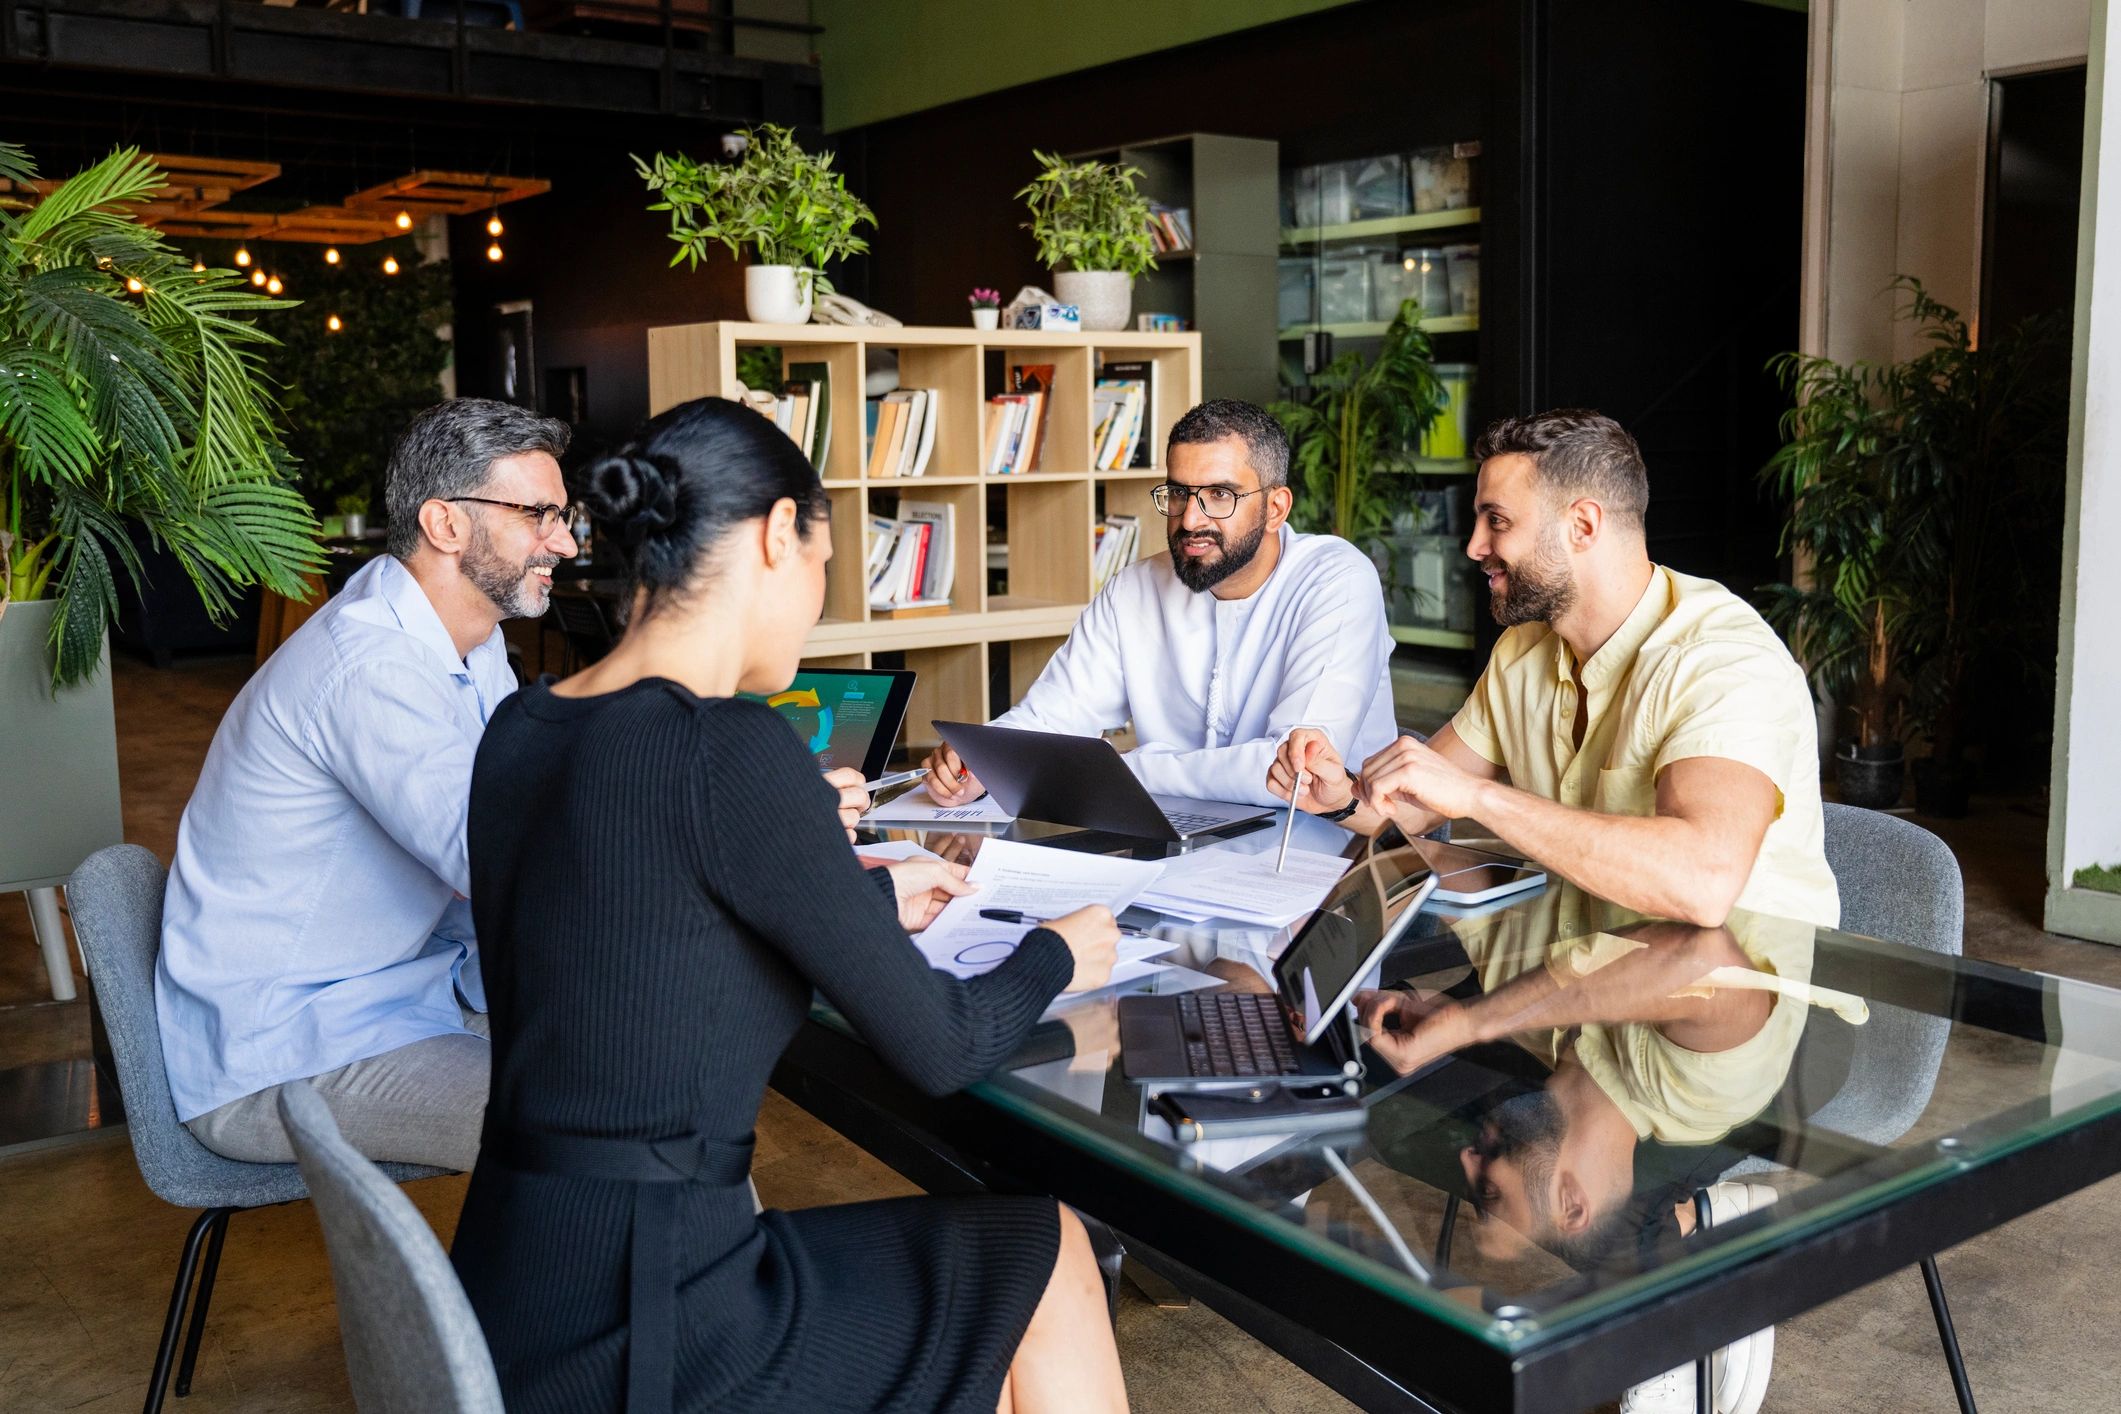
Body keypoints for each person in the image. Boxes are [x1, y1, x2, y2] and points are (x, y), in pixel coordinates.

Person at [450, 396, 1130, 1414]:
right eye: (824, 560)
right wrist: (1060, 954)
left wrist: (857, 896)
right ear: (777, 534)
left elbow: (637, 923)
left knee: (975, 1316)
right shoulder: (731, 746)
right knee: (1047, 1245)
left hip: (515, 1286)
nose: (819, 598)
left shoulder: (521, 724)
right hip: (654, 1330)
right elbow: (944, 1047)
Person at [155, 398, 576, 1170]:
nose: (567, 542)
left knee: (656, 1053)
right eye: (538, 514)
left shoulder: (472, 645)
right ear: (446, 524)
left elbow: (538, 798)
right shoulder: (370, 667)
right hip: (287, 1049)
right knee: (615, 1125)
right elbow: (507, 858)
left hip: (402, 996)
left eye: (563, 513)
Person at [1269, 409, 1840, 931]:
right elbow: (1413, 806)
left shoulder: (1723, 660)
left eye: (1497, 521)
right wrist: (1338, 795)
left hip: (1730, 1000)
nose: (1473, 546)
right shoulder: (1524, 650)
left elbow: (1703, 884)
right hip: (1576, 986)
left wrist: (1478, 798)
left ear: (1583, 526)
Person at [923, 398, 1396, 810]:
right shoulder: (1134, 588)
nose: (1191, 518)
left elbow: (1294, 772)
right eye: (1178, 493)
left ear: (1275, 508)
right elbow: (1052, 716)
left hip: (1329, 856)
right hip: (1176, 839)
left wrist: (1123, 771)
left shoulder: (1337, 580)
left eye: (1220, 495)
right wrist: (985, 760)